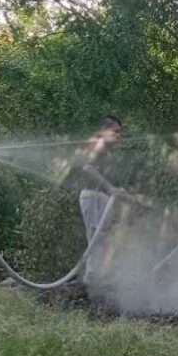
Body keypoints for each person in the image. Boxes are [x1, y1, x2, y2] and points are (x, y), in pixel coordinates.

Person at [60, 116, 148, 281]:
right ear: (103, 130)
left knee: (103, 237)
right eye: (115, 131)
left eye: (120, 132)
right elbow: (88, 169)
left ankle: (101, 277)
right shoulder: (96, 143)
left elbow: (106, 181)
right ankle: (92, 279)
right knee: (96, 237)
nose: (119, 135)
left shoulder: (105, 150)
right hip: (93, 197)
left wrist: (125, 196)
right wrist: (109, 188)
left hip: (101, 197)